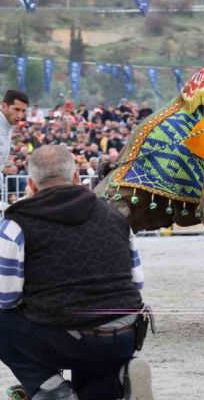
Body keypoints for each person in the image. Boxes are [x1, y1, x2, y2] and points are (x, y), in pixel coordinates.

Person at [0, 145, 154, 400]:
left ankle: (52, 389)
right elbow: (137, 284)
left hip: (66, 339)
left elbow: (6, 297)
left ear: (31, 184)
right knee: (90, 384)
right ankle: (119, 376)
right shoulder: (114, 216)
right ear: (75, 178)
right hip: (125, 335)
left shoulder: (16, 222)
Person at [0, 90, 29, 166]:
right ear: (4, 106)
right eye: (17, 109)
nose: (20, 115)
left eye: (23, 111)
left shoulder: (8, 126)